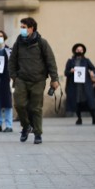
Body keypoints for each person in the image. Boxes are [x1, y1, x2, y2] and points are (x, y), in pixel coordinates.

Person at [9, 17, 59, 145]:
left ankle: (37, 133)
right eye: (21, 27)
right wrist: (14, 76)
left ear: (32, 28)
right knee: (19, 104)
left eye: (24, 27)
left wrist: (55, 79)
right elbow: (12, 61)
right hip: (21, 80)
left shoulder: (42, 43)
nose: (22, 30)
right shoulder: (18, 43)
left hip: (38, 80)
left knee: (35, 108)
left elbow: (50, 62)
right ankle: (26, 126)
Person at [64, 43, 95, 125]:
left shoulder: (86, 61)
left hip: (85, 85)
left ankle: (94, 118)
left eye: (81, 50)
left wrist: (92, 73)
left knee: (90, 101)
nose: (79, 51)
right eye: (78, 49)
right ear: (75, 51)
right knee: (77, 102)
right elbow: (66, 73)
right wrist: (71, 71)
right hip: (75, 85)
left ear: (83, 51)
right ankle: (79, 118)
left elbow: (94, 69)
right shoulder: (70, 61)